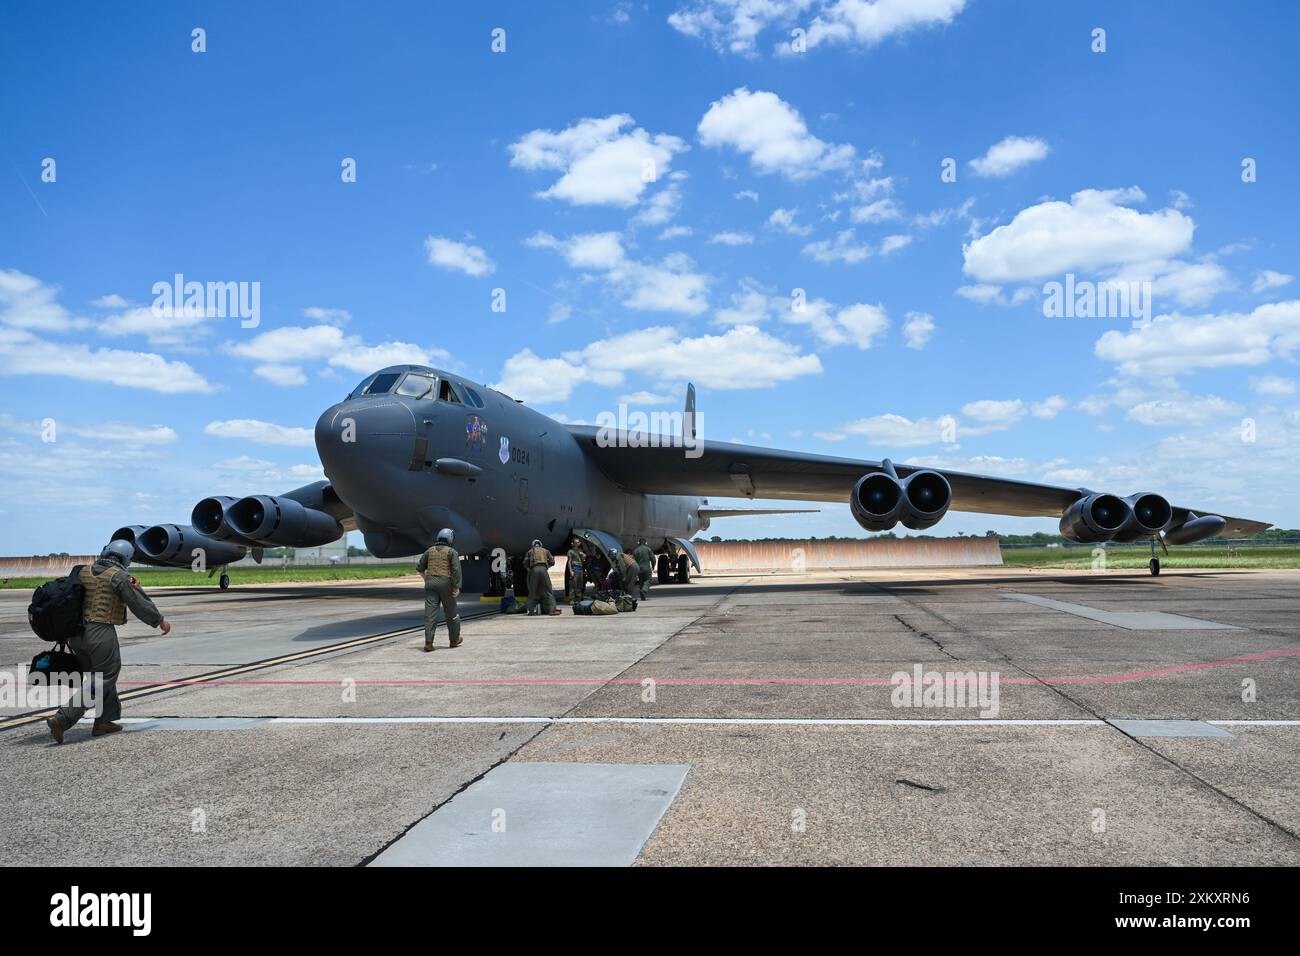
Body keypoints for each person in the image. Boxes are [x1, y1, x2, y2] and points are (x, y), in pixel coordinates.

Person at [46, 540, 172, 744]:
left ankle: (104, 721)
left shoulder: (81, 571)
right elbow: (138, 601)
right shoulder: (119, 576)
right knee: (105, 676)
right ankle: (63, 719)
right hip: (100, 632)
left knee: (101, 676)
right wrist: (159, 621)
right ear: (126, 559)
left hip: (75, 634)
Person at [418, 528, 462, 651]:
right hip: (446, 584)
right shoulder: (452, 552)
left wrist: (427, 579)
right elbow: (456, 571)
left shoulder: (429, 551)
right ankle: (454, 640)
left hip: (430, 584)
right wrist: (456, 586)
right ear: (450, 539)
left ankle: (428, 643)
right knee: (451, 613)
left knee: (430, 614)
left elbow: (420, 568)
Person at [524, 539, 561, 616]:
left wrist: (530, 570)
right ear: (541, 545)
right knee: (548, 591)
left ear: (533, 545)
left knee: (532, 591)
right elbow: (552, 562)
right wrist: (546, 567)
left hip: (534, 570)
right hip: (544, 570)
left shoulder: (530, 551)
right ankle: (552, 610)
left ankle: (531, 611)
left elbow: (525, 562)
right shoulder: (546, 551)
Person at [565, 537, 587, 604]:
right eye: (576, 542)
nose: (577, 543)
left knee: (580, 584)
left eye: (578, 542)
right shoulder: (570, 551)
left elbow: (583, 560)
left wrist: (583, 556)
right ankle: (571, 599)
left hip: (580, 568)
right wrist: (571, 571)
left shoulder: (580, 550)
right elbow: (569, 562)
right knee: (573, 584)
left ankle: (578, 598)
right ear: (573, 543)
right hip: (574, 568)